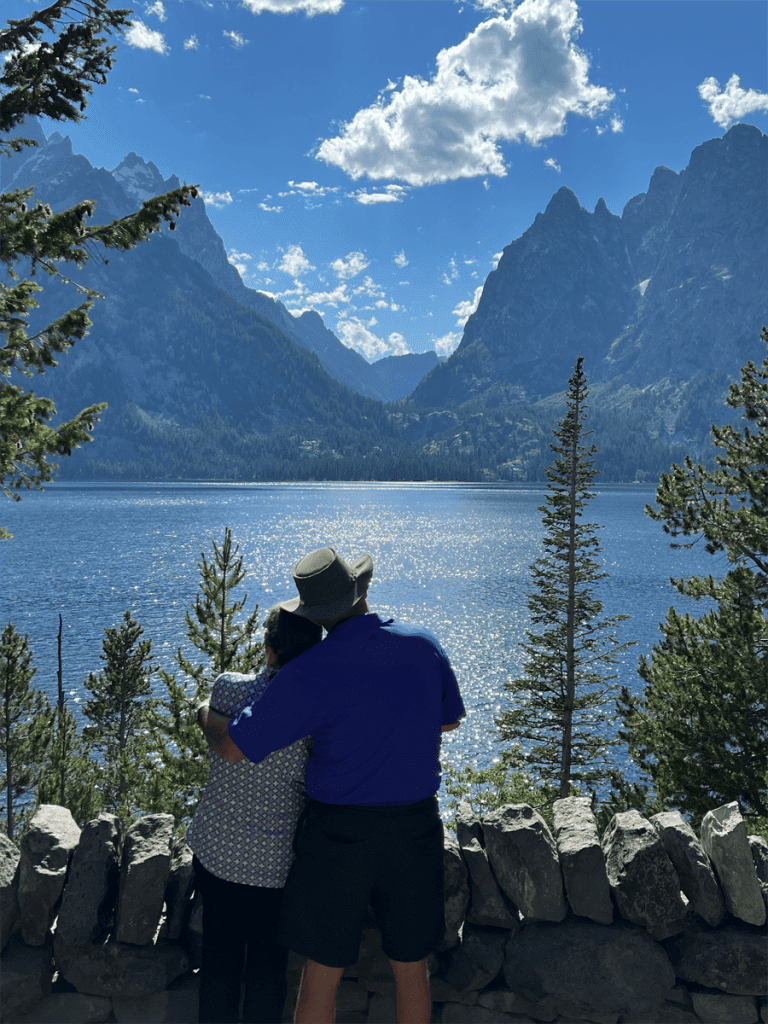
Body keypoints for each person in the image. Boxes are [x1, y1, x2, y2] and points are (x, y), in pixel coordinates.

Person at [202, 547, 466, 1024]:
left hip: (337, 835)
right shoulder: (422, 646)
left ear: (316, 614)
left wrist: (207, 717)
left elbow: (234, 747)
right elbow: (448, 721)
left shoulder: (311, 671)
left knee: (321, 971)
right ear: (362, 591)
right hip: (413, 828)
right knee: (412, 968)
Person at [189, 604, 322, 1024]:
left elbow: (213, 723)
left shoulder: (228, 689)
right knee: (268, 971)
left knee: (217, 965)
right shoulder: (313, 713)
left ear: (268, 647)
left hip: (218, 853)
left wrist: (201, 711)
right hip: (276, 866)